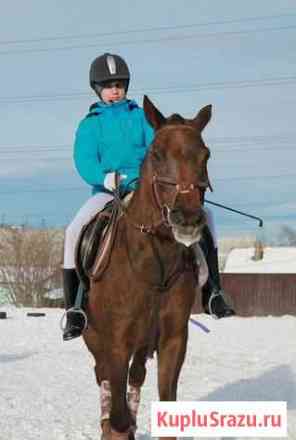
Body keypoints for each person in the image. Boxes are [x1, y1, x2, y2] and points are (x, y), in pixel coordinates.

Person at [62, 52, 235, 341]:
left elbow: (158, 150)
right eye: (108, 85)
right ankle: (75, 309)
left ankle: (213, 292)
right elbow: (85, 160)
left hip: (148, 188)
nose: (114, 89)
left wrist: (157, 180)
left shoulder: (140, 117)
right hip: (107, 192)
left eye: (119, 84)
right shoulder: (90, 124)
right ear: (97, 89)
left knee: (207, 217)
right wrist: (105, 177)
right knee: (73, 231)